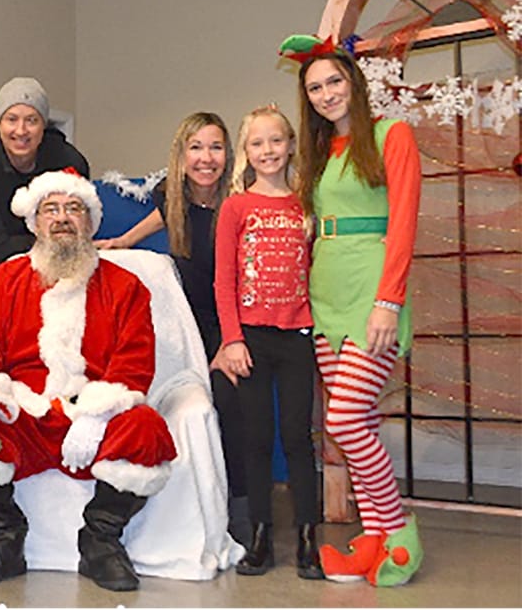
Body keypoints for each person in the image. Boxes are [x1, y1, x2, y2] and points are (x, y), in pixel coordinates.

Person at [0, 169, 177, 592]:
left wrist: (98, 414)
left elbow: (135, 360)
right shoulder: (4, 279)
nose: (63, 218)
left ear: (90, 222)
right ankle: (3, 539)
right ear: (35, 221)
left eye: (74, 208)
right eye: (51, 209)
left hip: (91, 417)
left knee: (145, 429)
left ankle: (101, 542)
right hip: (25, 410)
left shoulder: (127, 287)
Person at [280, 34, 423, 587]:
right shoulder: (318, 153)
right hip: (326, 296)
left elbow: (404, 223)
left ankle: (398, 534)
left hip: (372, 294)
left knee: (343, 419)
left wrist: (389, 301)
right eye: (314, 87)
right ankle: (372, 543)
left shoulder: (393, 134)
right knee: (354, 421)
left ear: (354, 82)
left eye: (334, 81)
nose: (325, 94)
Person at [95, 112, 251, 545]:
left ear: (228, 154)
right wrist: (122, 242)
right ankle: (178, 506)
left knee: (230, 410)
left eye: (215, 147)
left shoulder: (238, 202)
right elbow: (164, 217)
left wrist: (230, 340)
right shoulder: (174, 198)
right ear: (181, 155)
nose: (206, 157)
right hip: (191, 325)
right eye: (196, 147)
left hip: (232, 325)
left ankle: (238, 513)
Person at [213, 105, 323, 579]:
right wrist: (232, 339)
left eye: (276, 141)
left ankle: (306, 537)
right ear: (246, 152)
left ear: (291, 145)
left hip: (297, 335)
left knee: (298, 439)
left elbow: (318, 270)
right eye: (257, 143)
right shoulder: (236, 207)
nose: (268, 151)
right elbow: (224, 281)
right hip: (251, 340)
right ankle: (259, 534)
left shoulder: (306, 202)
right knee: (257, 438)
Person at [0, 77, 90, 344]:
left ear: (43, 125)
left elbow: (75, 230)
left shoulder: (68, 160)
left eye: (32, 120)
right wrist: (45, 243)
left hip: (48, 268)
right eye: (11, 119)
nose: (21, 130)